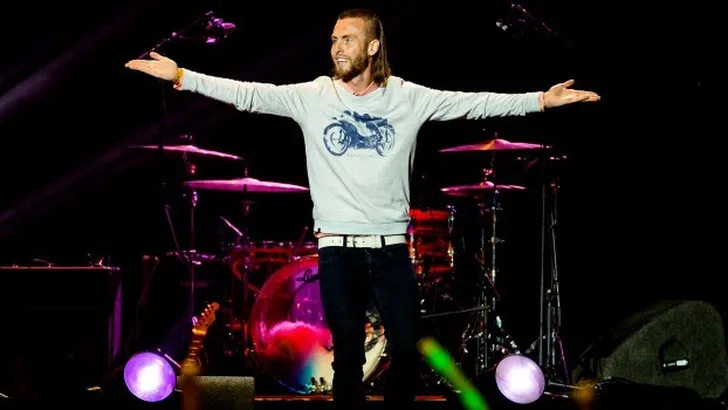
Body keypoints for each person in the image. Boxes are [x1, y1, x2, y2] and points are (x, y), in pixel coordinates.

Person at [125, 7, 600, 409]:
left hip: (390, 249)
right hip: (337, 249)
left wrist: (541, 100)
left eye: (348, 39)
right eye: (334, 40)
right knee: (348, 355)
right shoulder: (313, 96)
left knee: (406, 351)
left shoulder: (408, 97)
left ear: (373, 47)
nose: (337, 48)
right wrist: (182, 77)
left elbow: (473, 103)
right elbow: (249, 94)